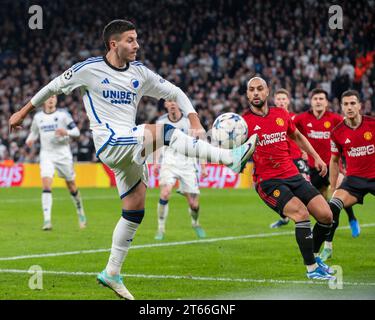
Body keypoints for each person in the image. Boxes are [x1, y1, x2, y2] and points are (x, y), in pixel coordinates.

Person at [9, 19, 258, 300]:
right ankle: (230, 159)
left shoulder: (140, 73)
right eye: (130, 40)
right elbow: (52, 87)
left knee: (135, 208)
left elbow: (174, 91)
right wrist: (22, 112)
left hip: (129, 147)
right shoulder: (88, 70)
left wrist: (194, 117)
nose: (137, 45)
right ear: (113, 44)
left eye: (137, 39)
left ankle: (112, 272)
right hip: (109, 142)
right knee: (164, 131)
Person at [242, 77, 335, 280]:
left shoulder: (281, 114)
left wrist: (317, 157)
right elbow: (233, 151)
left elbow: (298, 136)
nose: (256, 93)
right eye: (251, 90)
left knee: (326, 215)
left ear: (267, 92)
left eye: (260, 89)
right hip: (268, 182)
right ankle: (311, 269)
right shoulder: (242, 123)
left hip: (292, 174)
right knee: (301, 214)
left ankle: (315, 256)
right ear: (247, 94)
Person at [294, 89, 360, 252]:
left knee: (338, 198)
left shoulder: (336, 119)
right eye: (315, 98)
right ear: (311, 101)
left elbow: (351, 128)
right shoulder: (302, 118)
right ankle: (320, 237)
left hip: (333, 167)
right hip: (313, 169)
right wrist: (298, 149)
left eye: (321, 98)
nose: (318, 101)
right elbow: (290, 133)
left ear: (326, 102)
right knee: (319, 207)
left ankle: (348, 222)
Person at [322, 90, 375, 259]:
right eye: (346, 104)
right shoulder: (337, 132)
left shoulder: (372, 124)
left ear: (360, 105)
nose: (349, 107)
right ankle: (328, 247)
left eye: (353, 103)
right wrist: (333, 185)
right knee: (333, 206)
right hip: (353, 181)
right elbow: (334, 160)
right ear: (341, 107)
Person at [25, 95, 87, 231]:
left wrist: (67, 132)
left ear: (56, 100)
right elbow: (34, 133)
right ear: (44, 101)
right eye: (48, 97)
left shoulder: (63, 115)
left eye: (53, 97)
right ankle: (47, 221)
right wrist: (29, 140)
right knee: (46, 184)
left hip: (63, 155)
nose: (51, 99)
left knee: (71, 185)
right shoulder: (38, 117)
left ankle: (80, 211)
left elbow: (76, 132)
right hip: (46, 154)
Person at [154, 100, 207, 240]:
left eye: (174, 101)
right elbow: (158, 144)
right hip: (169, 162)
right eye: (169, 101)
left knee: (194, 204)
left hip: (188, 164)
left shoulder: (189, 122)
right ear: (165, 105)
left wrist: (203, 166)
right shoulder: (161, 122)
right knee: (165, 194)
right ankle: (161, 229)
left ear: (179, 104)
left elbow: (199, 144)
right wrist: (155, 163)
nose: (172, 104)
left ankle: (195, 223)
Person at [269, 88, 310, 229]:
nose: (281, 101)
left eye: (283, 99)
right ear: (274, 101)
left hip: (296, 158)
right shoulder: (271, 118)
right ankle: (284, 217)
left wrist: (305, 151)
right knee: (281, 194)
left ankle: (304, 220)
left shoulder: (295, 118)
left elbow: (302, 136)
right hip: (280, 161)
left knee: (305, 189)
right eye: (278, 99)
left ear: (288, 101)